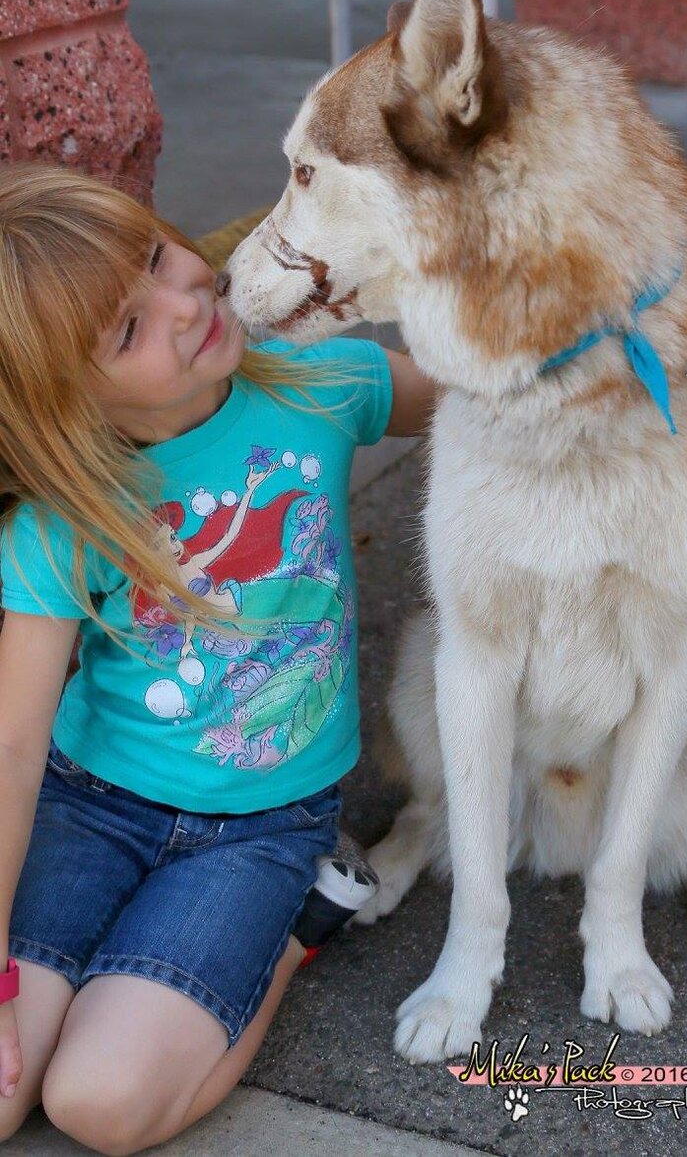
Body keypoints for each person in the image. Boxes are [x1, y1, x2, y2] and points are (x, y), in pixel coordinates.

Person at [0, 163, 436, 1154]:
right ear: (67, 404)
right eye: (127, 328)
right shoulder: (63, 522)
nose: (185, 297)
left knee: (99, 1105)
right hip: (91, 807)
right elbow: (14, 748)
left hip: (261, 829)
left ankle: (296, 933)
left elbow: (486, 403)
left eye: (157, 257)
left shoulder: (322, 387)